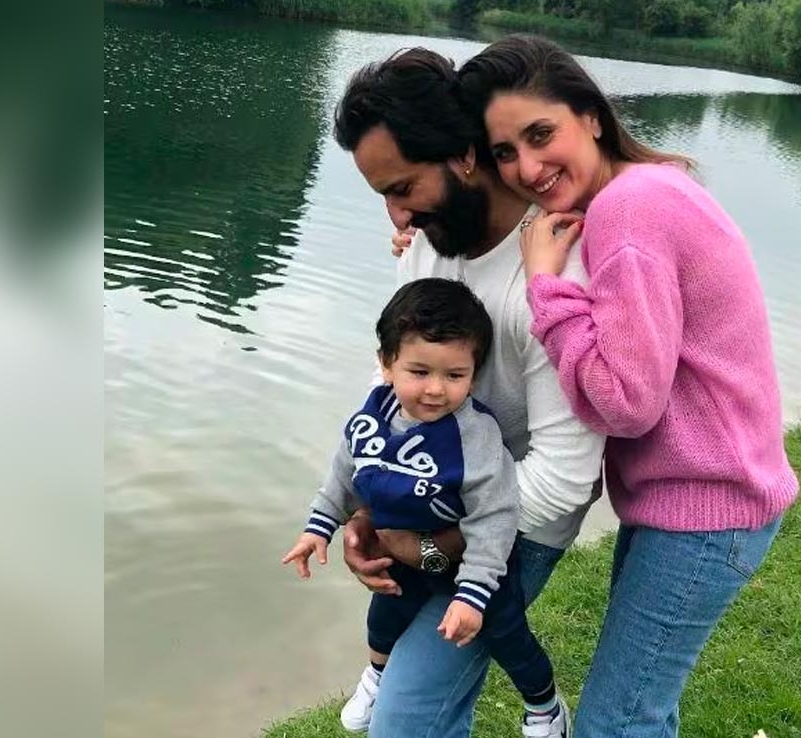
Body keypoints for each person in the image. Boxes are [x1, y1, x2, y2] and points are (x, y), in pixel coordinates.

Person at [449, 35, 801, 737]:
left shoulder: (629, 211)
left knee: (616, 722)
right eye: (505, 153)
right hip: (706, 498)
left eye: (540, 135)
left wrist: (546, 288)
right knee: (643, 710)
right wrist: (423, 230)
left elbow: (627, 403)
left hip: (706, 508)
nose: (528, 168)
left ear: (591, 116)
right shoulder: (646, 188)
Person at [332, 48, 605, 738]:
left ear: (462, 154)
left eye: (404, 187)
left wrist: (431, 543)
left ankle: (545, 710)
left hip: (519, 523)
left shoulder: (556, 267)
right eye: (384, 195)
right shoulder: (429, 243)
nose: (398, 215)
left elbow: (566, 476)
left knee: (405, 722)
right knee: (404, 704)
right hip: (427, 503)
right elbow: (392, 379)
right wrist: (368, 506)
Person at [282, 278, 569, 735]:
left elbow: (494, 516)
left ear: (473, 373)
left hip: (472, 559)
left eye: (454, 376)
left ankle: (543, 706)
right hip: (401, 551)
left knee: (506, 635)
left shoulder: (474, 435)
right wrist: (319, 527)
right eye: (419, 372)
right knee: (384, 614)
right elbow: (344, 471)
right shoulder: (372, 416)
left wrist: (472, 593)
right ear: (386, 363)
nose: (436, 389)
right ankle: (376, 676)